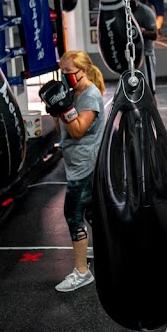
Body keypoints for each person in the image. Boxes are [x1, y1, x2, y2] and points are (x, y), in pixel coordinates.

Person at [39, 50, 106, 292]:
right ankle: (111, 251)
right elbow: (63, 130)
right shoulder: (72, 92)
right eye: (62, 71)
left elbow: (78, 131)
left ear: (83, 71)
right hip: (76, 162)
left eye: (68, 72)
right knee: (92, 213)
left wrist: (64, 108)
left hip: (86, 165)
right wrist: (56, 110)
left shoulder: (89, 96)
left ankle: (82, 272)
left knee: (73, 214)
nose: (64, 76)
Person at [130, 0, 158, 95]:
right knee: (133, 90)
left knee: (149, 90)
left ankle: (153, 106)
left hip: (145, 55)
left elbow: (154, 35)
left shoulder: (146, 12)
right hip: (131, 56)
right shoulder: (124, 11)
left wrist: (141, 32)